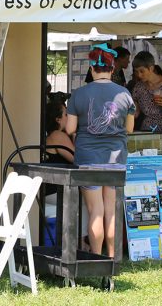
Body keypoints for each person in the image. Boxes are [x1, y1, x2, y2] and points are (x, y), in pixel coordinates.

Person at [65, 44, 135, 258]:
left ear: (92, 68)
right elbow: (129, 129)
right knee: (110, 211)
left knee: (95, 211)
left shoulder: (79, 94)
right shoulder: (124, 94)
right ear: (112, 69)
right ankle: (112, 258)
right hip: (116, 159)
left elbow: (70, 129)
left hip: (88, 158)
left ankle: (96, 258)